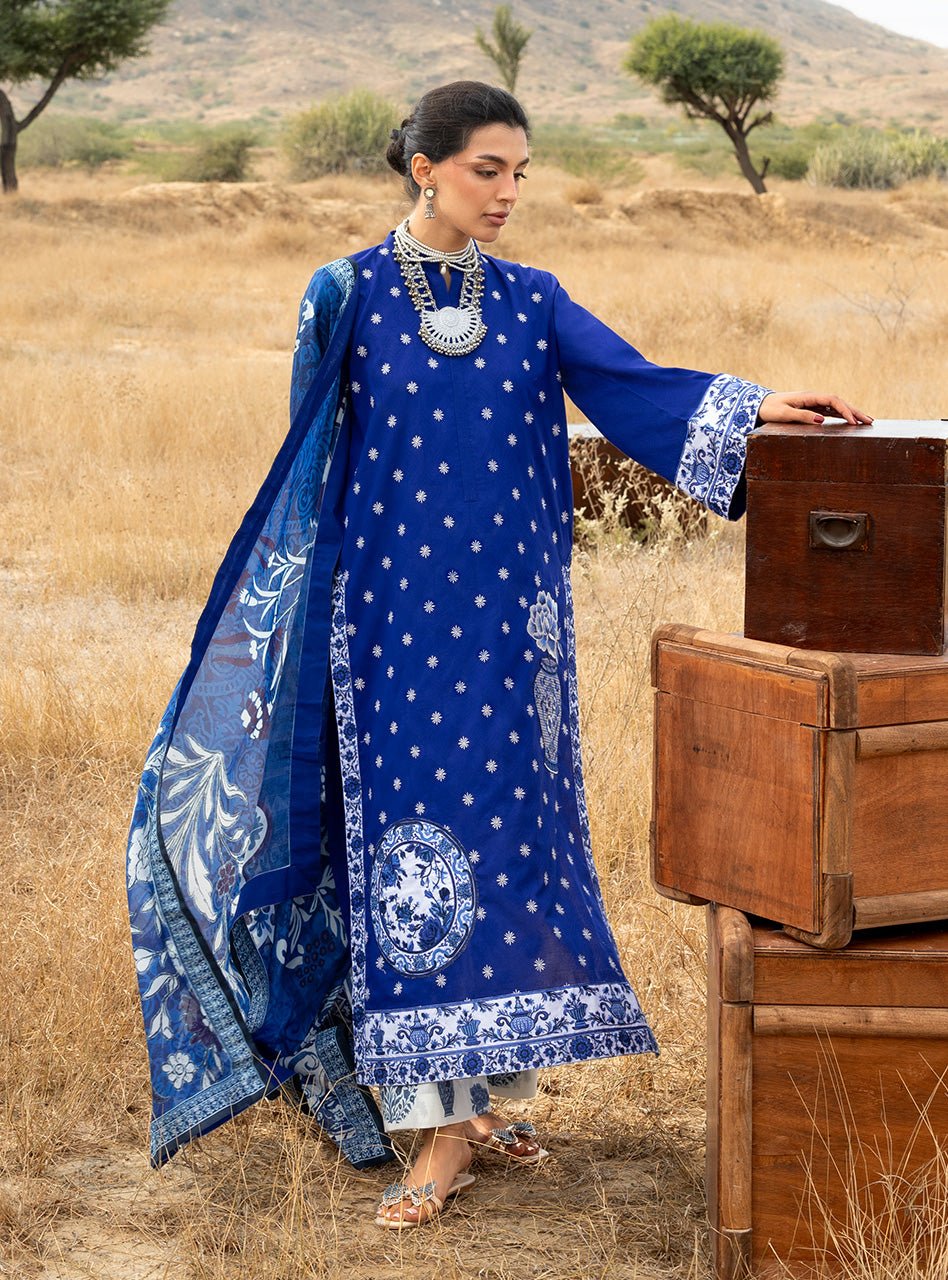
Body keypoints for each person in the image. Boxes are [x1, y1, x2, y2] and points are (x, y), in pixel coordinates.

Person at [126, 80, 871, 1230]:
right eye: (488, 168)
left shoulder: (532, 301)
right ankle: (437, 1126)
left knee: (507, 845)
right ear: (424, 167)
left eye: (521, 171)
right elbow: (311, 469)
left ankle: (485, 1105)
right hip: (390, 630)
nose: (510, 190)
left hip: (513, 634)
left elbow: (635, 388)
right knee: (414, 861)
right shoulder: (346, 295)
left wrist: (758, 406)